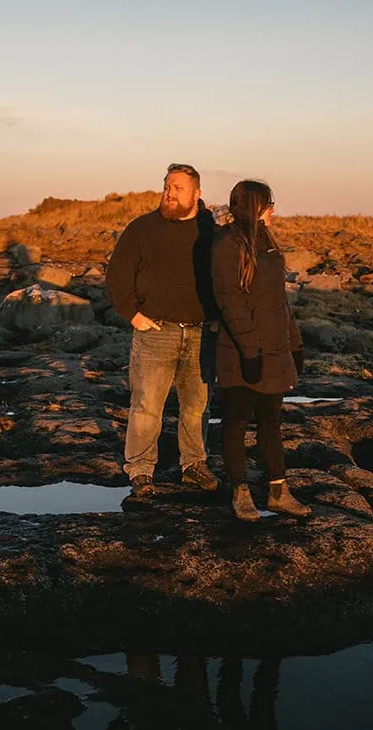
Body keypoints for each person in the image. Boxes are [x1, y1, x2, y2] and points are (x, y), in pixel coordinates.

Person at [105, 163, 221, 496]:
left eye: (178, 188)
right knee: (146, 406)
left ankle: (194, 464)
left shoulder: (211, 232)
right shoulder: (142, 228)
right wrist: (133, 315)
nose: (169, 193)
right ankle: (140, 470)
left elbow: (225, 279)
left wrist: (218, 317)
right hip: (156, 332)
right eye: (167, 186)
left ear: (197, 194)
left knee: (197, 405)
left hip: (202, 334)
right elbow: (117, 276)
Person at [210, 179, 310, 522]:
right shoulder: (227, 243)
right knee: (236, 420)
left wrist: (294, 344)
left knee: (271, 421)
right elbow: (230, 302)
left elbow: (279, 302)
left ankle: (279, 491)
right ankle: (240, 493)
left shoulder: (267, 242)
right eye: (269, 203)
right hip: (240, 351)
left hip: (275, 349)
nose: (273, 209)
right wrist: (250, 351)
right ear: (255, 206)